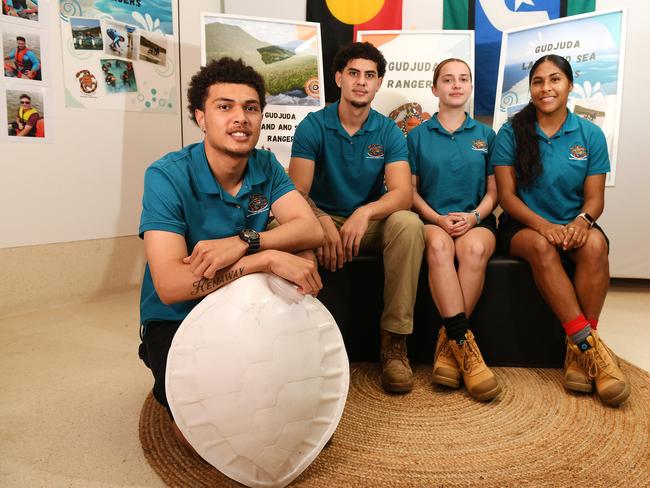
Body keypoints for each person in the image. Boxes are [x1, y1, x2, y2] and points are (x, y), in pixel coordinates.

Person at [138, 57, 325, 444]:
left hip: (248, 303)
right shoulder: (166, 175)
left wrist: (246, 241)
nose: (240, 117)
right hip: (177, 316)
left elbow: (310, 227)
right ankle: (157, 358)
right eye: (225, 107)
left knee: (288, 404)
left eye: (251, 108)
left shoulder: (266, 165)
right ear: (201, 117)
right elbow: (171, 285)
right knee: (205, 435)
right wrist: (265, 258)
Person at [491, 54, 629, 406]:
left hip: (574, 222)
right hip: (524, 226)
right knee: (542, 248)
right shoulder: (511, 131)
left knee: (596, 247)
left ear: (570, 85)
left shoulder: (590, 134)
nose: (546, 88)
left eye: (554, 80)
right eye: (538, 81)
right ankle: (589, 347)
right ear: (531, 89)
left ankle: (578, 354)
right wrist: (545, 226)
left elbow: (595, 199)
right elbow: (506, 197)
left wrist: (580, 223)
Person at [289, 42, 424, 394]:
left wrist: (365, 212)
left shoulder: (390, 132)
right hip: (321, 219)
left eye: (370, 75)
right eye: (353, 73)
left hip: (365, 225)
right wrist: (319, 222)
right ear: (338, 78)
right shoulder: (313, 125)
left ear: (378, 83)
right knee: (277, 227)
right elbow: (296, 192)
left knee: (408, 224)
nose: (361, 82)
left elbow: (402, 194)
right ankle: (298, 341)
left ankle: (394, 342)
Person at [408, 59, 500, 401]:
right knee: (439, 249)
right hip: (431, 220)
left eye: (463, 79)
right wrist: (436, 219)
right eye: (448, 79)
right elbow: (411, 191)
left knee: (472, 250)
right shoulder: (416, 135)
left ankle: (448, 347)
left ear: (471, 87)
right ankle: (465, 345)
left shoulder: (486, 135)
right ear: (435, 89)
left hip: (477, 219)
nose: (456, 85)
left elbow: (495, 192)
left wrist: (474, 217)